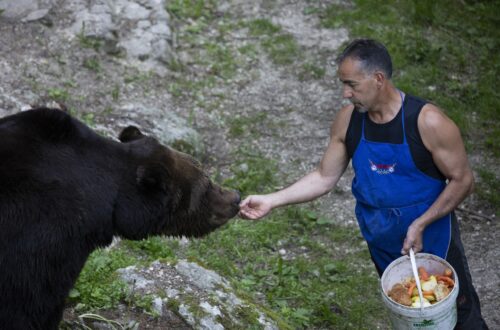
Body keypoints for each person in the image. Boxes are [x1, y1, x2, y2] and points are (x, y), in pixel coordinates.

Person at [239, 39, 488, 329]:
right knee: (410, 314)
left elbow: (463, 180)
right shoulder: (349, 121)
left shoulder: (428, 122)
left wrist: (421, 223)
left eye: (352, 85)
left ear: (378, 79)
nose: (346, 93)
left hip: (433, 237)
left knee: (459, 314)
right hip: (381, 236)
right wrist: (272, 199)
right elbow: (323, 176)